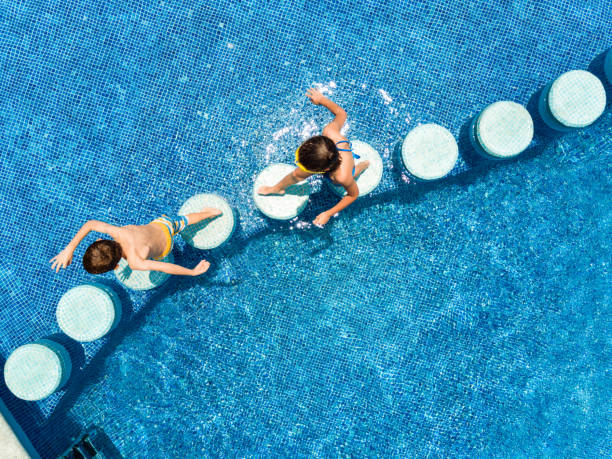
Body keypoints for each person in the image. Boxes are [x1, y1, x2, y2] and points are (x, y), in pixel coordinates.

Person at [257, 88, 369, 226]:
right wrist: (322, 100)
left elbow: (353, 195)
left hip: (343, 172)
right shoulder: (330, 132)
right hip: (329, 161)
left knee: (347, 177)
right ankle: (277, 188)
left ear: (321, 169)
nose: (298, 162)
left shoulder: (341, 176)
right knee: (296, 174)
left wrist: (328, 213)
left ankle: (363, 166)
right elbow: (341, 113)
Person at [50, 209, 221, 276]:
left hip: (165, 247)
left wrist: (192, 272)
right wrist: (69, 249)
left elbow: (165, 267)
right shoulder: (118, 231)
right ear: (102, 240)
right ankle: (212, 212)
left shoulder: (135, 262)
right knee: (187, 219)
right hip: (162, 224)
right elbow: (90, 224)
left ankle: (210, 213)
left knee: (157, 257)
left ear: (116, 266)